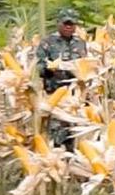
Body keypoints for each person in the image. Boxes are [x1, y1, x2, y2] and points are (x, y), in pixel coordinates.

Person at [35, 8, 88, 148]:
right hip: (55, 97)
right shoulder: (47, 42)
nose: (69, 27)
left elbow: (85, 65)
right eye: (66, 23)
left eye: (72, 24)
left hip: (74, 97)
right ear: (58, 23)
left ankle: (70, 161)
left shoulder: (80, 43)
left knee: (73, 133)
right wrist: (49, 69)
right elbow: (38, 67)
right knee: (57, 135)